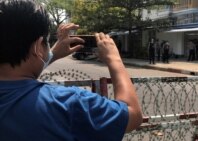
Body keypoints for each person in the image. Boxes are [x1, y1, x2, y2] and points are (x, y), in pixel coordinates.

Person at [0, 1, 143, 141]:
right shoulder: (67, 103)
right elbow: (133, 114)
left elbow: (16, 74)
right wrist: (114, 58)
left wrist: (51, 55)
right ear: (38, 46)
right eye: (47, 42)